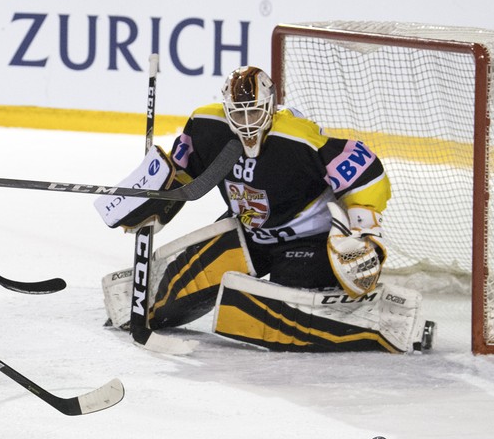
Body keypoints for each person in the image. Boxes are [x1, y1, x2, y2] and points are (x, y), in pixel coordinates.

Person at [96, 65, 436, 353]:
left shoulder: (298, 137)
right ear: (226, 107)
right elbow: (183, 174)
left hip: (308, 240)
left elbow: (365, 173)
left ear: (271, 106)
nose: (247, 122)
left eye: (255, 112)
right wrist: (151, 201)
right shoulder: (206, 126)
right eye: (238, 112)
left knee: (257, 314)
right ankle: (140, 302)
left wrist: (365, 232)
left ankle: (382, 322)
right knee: (170, 297)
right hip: (250, 232)